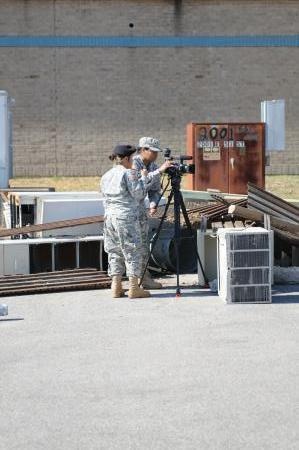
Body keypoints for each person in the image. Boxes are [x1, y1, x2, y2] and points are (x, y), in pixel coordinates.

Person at [100, 144, 150, 299]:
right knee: (132, 250)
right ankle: (134, 288)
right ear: (127, 158)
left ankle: (116, 286)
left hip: (109, 218)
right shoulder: (129, 173)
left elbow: (104, 199)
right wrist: (145, 178)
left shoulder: (106, 175)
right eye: (132, 158)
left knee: (114, 251)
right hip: (126, 218)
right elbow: (139, 194)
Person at [132, 136, 173, 289]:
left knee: (143, 245)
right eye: (153, 151)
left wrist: (153, 204)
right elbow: (135, 184)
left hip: (140, 211)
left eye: (157, 152)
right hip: (129, 210)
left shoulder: (153, 165)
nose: (155, 155)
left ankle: (143, 278)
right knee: (132, 247)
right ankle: (134, 281)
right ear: (143, 149)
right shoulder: (133, 163)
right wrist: (160, 171)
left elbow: (154, 190)